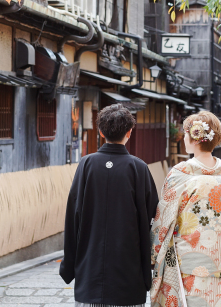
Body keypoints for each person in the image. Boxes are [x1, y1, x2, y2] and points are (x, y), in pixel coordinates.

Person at [60, 103, 160, 307]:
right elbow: (154, 218)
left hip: (90, 271)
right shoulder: (138, 168)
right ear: (129, 133)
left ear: (100, 132)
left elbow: (73, 215)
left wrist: (69, 265)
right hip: (128, 271)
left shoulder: (87, 165)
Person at [150, 111, 221, 307]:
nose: (183, 138)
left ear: (194, 138)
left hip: (187, 263)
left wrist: (154, 253)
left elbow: (164, 221)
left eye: (185, 134)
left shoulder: (180, 174)